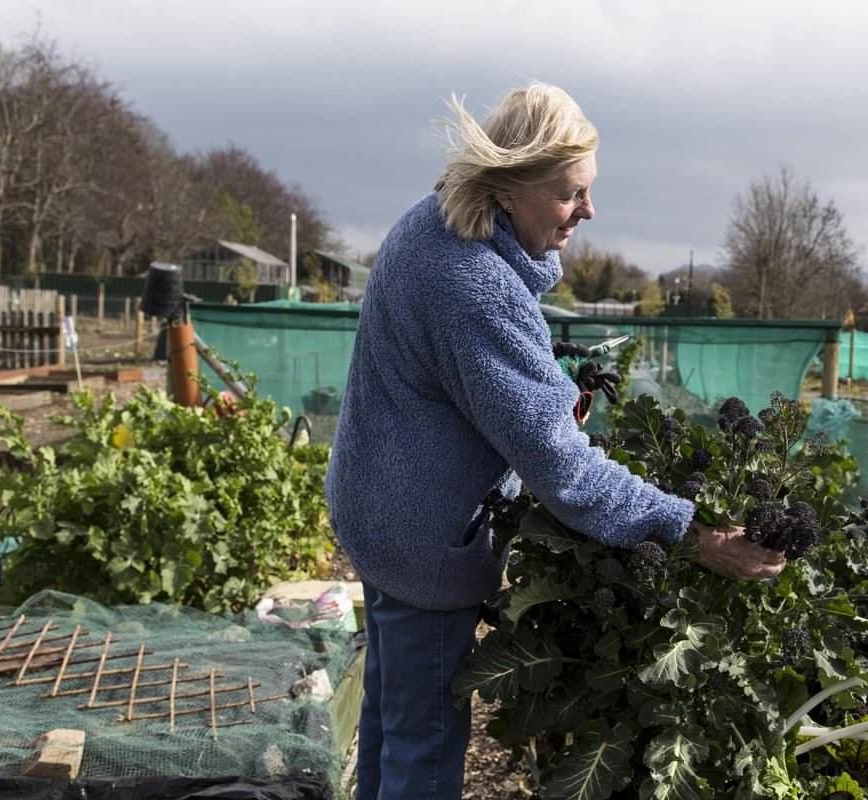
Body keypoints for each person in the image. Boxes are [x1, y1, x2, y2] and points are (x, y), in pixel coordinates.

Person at [325, 83, 786, 800]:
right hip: (420, 540)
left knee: (392, 716)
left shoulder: (433, 223)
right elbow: (562, 470)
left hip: (376, 508)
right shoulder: (473, 286)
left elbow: (468, 381)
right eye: (570, 193)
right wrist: (693, 533)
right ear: (508, 188)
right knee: (425, 747)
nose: (588, 211)